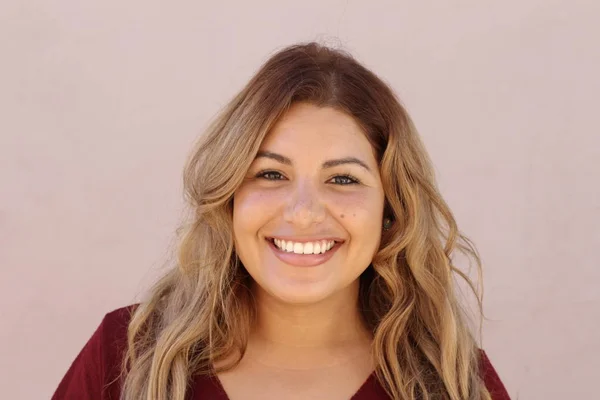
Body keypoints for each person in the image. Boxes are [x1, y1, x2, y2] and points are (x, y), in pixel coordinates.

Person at [52, 42, 511, 400]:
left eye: (343, 179)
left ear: (391, 209)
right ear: (229, 196)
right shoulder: (127, 358)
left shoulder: (451, 381)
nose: (304, 211)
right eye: (271, 174)